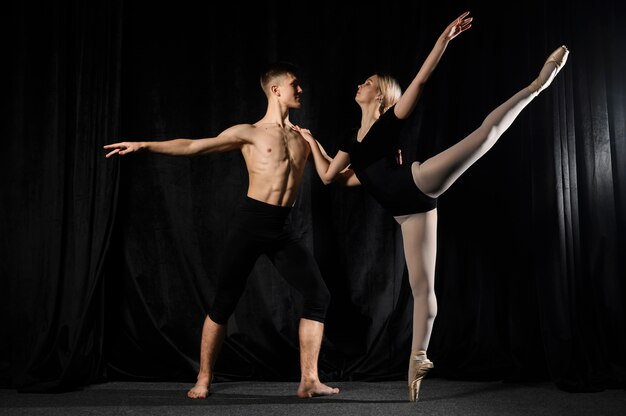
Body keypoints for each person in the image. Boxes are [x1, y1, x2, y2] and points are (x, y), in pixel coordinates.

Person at [294, 11, 569, 402]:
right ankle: (418, 360)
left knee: (484, 136)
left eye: (367, 82)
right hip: (409, 213)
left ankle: (537, 85)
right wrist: (311, 143)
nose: (360, 84)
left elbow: (421, 81)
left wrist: (444, 38)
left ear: (381, 95)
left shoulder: (390, 121)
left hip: (417, 182)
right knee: (422, 288)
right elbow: (331, 177)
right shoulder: (350, 141)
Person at [103, 62, 341, 399]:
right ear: (275, 90)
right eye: (294, 84)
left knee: (319, 296)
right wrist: (144, 144)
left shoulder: (304, 137)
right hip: (251, 222)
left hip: (283, 227)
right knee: (224, 301)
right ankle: (203, 378)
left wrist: (382, 165)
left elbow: (336, 175)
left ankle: (309, 380)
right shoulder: (250, 132)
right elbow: (194, 146)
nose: (300, 90)